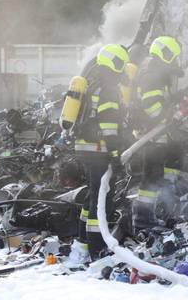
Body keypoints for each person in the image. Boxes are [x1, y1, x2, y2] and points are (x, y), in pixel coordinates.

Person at [61, 44, 129, 262]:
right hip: (99, 149)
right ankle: (96, 250)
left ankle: (82, 243)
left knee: (93, 195)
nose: (122, 68)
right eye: (120, 63)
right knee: (102, 200)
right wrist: (115, 152)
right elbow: (108, 125)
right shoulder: (108, 88)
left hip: (86, 147)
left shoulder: (93, 83)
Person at [132, 35, 184, 231]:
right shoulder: (152, 74)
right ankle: (143, 218)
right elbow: (152, 106)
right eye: (173, 57)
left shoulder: (155, 71)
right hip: (151, 135)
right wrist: (168, 116)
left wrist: (178, 98)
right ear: (166, 53)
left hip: (156, 134)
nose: (175, 61)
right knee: (151, 177)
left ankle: (162, 207)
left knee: (163, 168)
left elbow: (162, 100)